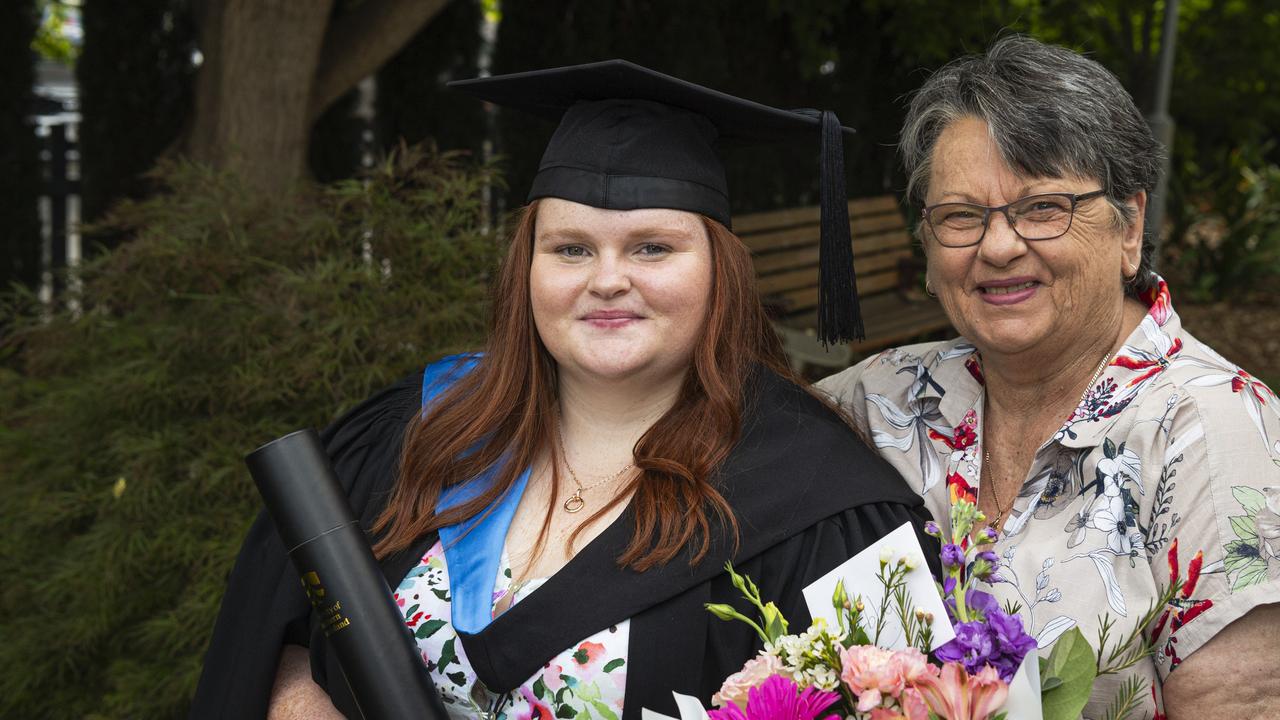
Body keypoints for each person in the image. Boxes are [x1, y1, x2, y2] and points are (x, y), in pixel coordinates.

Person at [192, 60, 931, 720]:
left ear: (720, 271)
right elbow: (273, 628)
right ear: (528, 269)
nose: (607, 279)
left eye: (652, 247)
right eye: (571, 248)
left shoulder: (822, 503)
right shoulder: (421, 428)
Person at [818, 36, 1280, 719]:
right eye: (961, 217)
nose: (998, 247)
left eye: (1043, 208)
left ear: (1131, 226)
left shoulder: (1214, 434)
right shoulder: (877, 402)